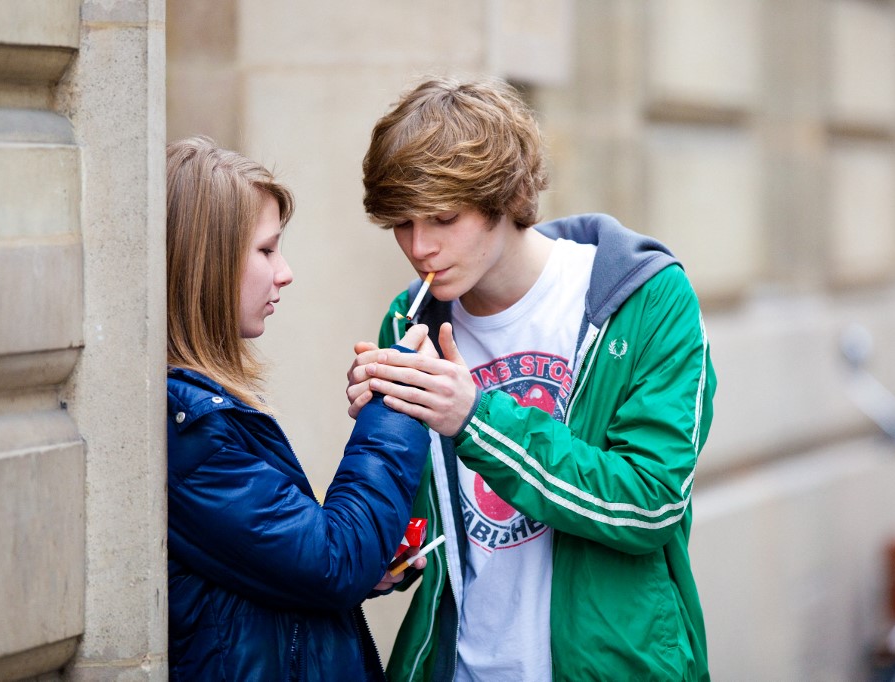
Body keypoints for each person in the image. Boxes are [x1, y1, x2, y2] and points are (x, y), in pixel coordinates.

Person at [347, 78, 717, 681]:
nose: (419, 247)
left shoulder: (645, 298)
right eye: (401, 223)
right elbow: (423, 538)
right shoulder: (410, 319)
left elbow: (650, 503)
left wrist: (475, 419)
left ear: (505, 197)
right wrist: (379, 447)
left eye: (443, 217)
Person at [165, 136, 434, 681]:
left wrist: (374, 558)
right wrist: (398, 403)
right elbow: (332, 560)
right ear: (207, 265)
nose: (284, 272)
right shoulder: (189, 429)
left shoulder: (196, 415)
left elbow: (296, 564)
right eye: (265, 251)